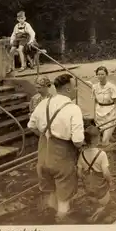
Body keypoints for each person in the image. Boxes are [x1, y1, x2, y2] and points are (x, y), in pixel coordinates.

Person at [27, 73, 84, 222]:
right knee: (64, 199)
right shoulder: (73, 108)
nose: (77, 89)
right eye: (75, 86)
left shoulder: (43, 103)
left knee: (50, 193)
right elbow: (78, 141)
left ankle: (48, 222)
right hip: (62, 157)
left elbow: (31, 125)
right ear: (68, 89)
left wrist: (45, 135)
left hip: (43, 155)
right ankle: (61, 225)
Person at [77, 125, 113, 222]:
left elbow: (79, 173)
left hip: (89, 189)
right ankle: (97, 214)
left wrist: (85, 181)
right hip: (101, 189)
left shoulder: (82, 154)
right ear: (96, 139)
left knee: (92, 204)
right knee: (105, 204)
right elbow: (106, 173)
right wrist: (110, 182)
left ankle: (93, 214)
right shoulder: (101, 154)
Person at [92, 66, 116, 146]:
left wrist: (115, 114)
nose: (100, 76)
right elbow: (94, 101)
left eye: (102, 74)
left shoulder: (112, 87)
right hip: (99, 114)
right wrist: (94, 114)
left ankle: (107, 156)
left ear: (106, 75)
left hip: (110, 113)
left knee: (104, 141)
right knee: (107, 137)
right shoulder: (94, 87)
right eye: (98, 74)